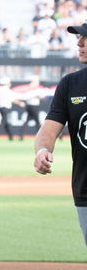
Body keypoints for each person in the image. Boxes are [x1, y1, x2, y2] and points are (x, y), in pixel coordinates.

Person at [34, 22, 87, 246]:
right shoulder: (70, 84)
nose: (79, 42)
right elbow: (49, 128)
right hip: (85, 189)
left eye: (85, 38)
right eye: (79, 38)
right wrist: (42, 150)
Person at [18, 75, 42, 141]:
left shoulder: (32, 87)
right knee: (37, 122)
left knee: (28, 120)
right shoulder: (32, 87)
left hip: (30, 106)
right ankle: (40, 135)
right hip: (33, 106)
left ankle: (20, 135)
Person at [0, 77, 14, 141]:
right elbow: (13, 99)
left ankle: (11, 136)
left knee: (5, 121)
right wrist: (20, 103)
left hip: (0, 107)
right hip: (6, 107)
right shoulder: (7, 90)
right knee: (3, 121)